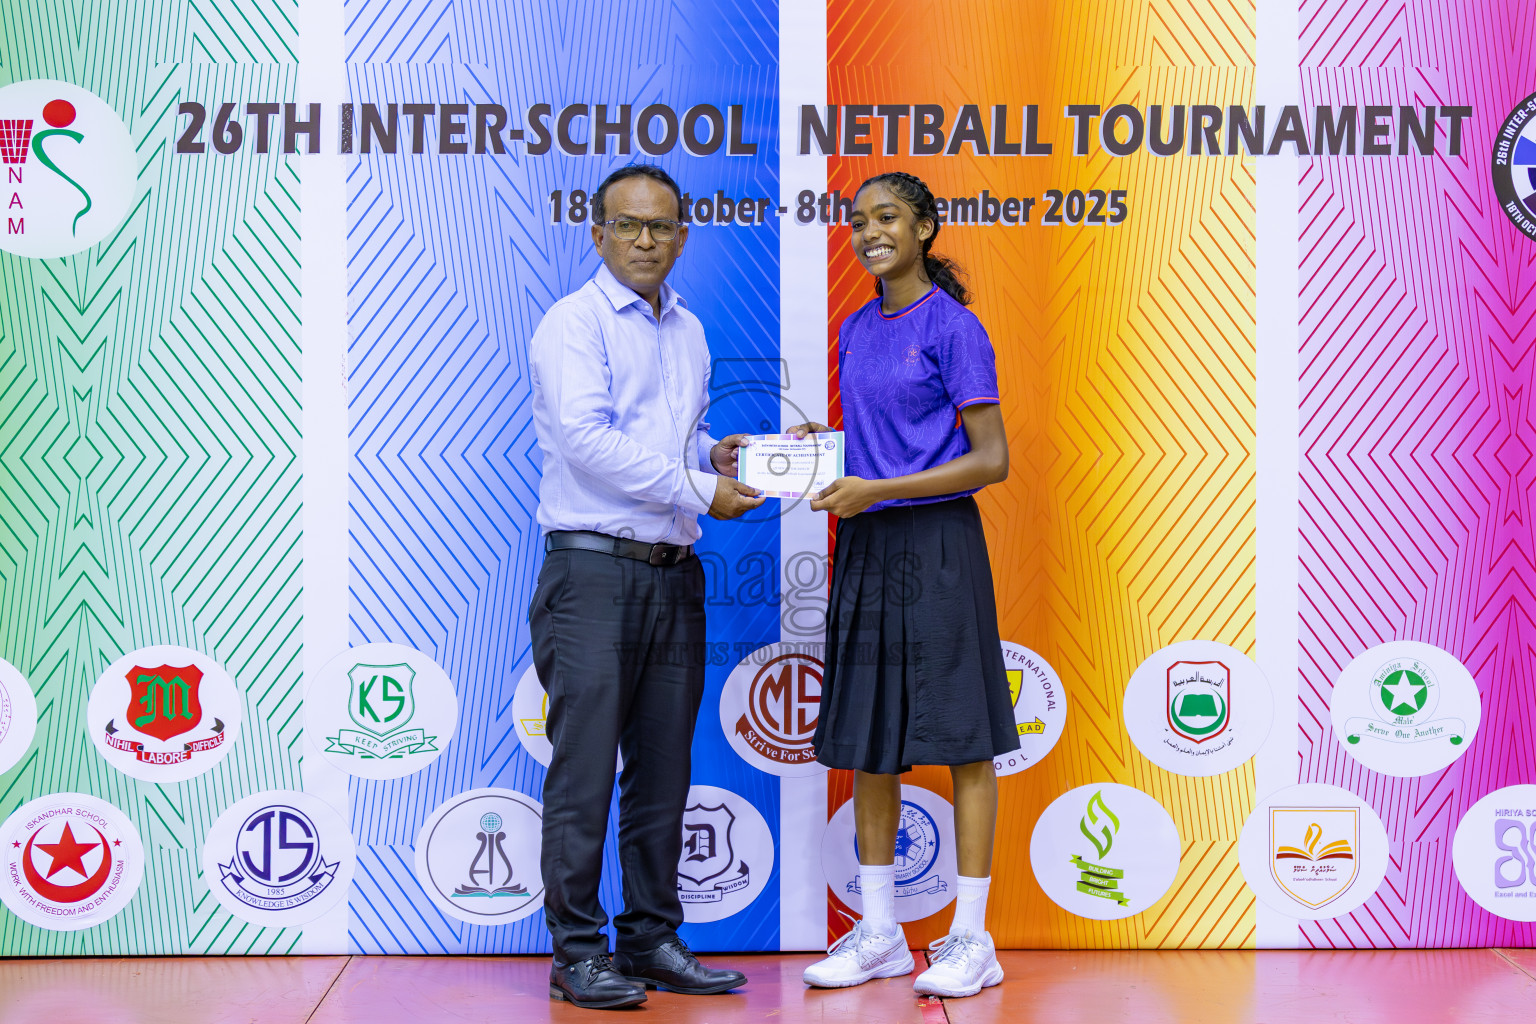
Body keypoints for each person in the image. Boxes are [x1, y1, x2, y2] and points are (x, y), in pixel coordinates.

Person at [527, 163, 763, 1010]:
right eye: (627, 225)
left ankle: (653, 938)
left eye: (660, 227)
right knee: (585, 769)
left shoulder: (688, 331)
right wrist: (698, 488)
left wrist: (716, 458)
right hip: (591, 571)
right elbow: (588, 441)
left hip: (672, 574)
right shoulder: (573, 324)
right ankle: (578, 953)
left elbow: (679, 439)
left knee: (663, 769)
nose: (644, 240)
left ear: (681, 238)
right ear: (597, 234)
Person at [789, 171, 1016, 998]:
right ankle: (880, 932)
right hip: (869, 547)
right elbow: (880, 444)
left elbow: (990, 460)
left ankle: (970, 939)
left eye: (887, 217)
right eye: (857, 222)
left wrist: (876, 488)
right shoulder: (853, 329)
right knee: (871, 739)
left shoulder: (956, 329)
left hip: (940, 545)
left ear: (925, 228)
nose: (869, 232)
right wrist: (823, 447)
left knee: (964, 739)